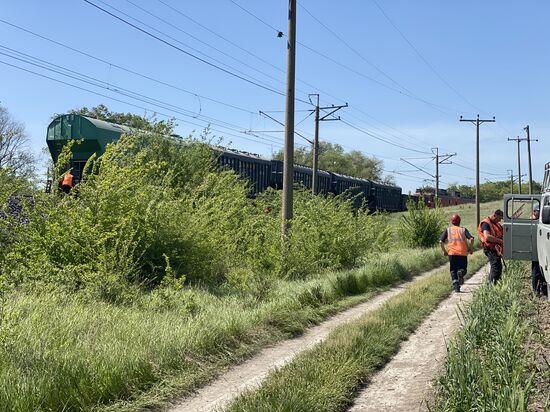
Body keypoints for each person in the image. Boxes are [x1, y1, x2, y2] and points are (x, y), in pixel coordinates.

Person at [440, 214, 474, 292]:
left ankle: (456, 286)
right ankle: (461, 272)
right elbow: (471, 239)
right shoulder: (463, 230)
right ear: (459, 221)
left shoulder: (448, 230)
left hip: (452, 253)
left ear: (452, 222)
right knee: (463, 269)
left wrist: (445, 251)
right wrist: (470, 248)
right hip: (462, 253)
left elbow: (441, 242)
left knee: (453, 270)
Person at [478, 209, 504, 284]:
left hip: (495, 249)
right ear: (494, 215)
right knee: (495, 268)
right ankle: (491, 286)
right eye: (499, 218)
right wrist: (501, 241)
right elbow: (487, 237)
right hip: (489, 249)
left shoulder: (496, 224)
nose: (499, 220)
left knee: (498, 267)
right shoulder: (486, 223)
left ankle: (495, 285)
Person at [531, 205, 548, 297]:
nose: (539, 213)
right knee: (536, 271)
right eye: (538, 211)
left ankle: (543, 289)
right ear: (534, 211)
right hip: (537, 250)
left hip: (542, 248)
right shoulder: (532, 221)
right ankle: (536, 290)